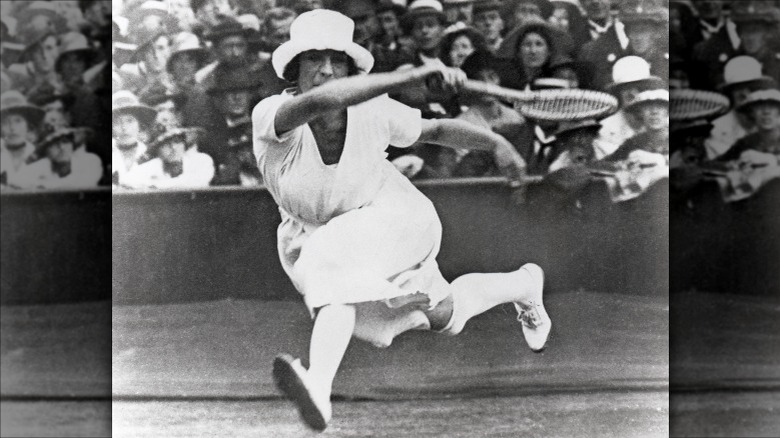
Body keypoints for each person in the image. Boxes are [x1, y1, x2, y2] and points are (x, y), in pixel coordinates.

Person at [256, 10, 549, 431]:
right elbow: (324, 101)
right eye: (313, 59)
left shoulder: (374, 109)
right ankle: (524, 284)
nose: (325, 70)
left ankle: (317, 385)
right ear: (294, 70)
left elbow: (433, 129)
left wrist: (496, 142)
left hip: (393, 216)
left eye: (336, 60)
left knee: (329, 259)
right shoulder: (270, 114)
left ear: (351, 66)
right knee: (442, 315)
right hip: (314, 234)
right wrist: (413, 75)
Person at [123, 126, 215, 189]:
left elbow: (197, 182)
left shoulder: (201, 160)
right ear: (157, 150)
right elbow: (127, 180)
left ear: (184, 144)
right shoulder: (154, 165)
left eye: (177, 142)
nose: (173, 148)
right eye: (166, 144)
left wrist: (155, 185)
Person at [16, 127, 103, 189]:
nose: (61, 148)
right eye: (54, 145)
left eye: (65, 142)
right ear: (46, 151)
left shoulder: (90, 160)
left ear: (72, 145)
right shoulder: (43, 164)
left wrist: (43, 185)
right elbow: (19, 181)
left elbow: (85, 183)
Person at [0, 91, 44, 189]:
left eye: (18, 121)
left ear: (27, 124)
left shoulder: (41, 156)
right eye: (6, 122)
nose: (12, 128)